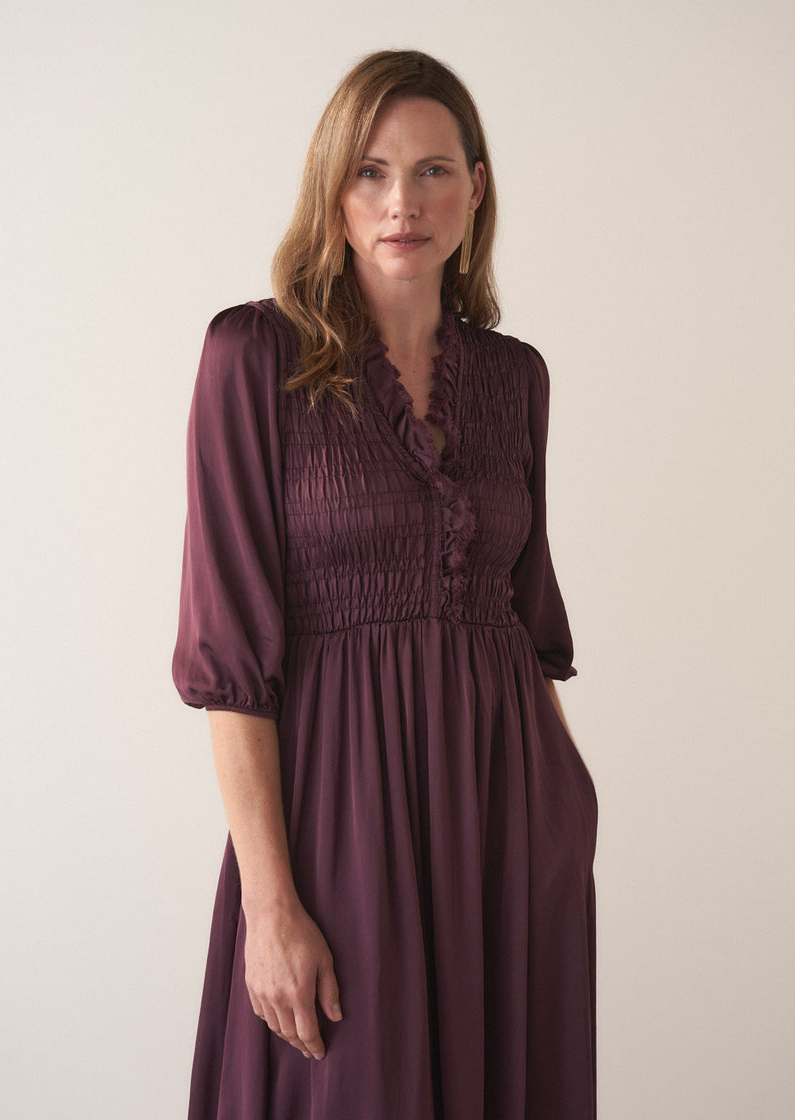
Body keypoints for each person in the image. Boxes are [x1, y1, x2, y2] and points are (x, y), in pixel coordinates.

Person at [173, 48, 597, 1120]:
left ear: (475, 188)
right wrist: (271, 903)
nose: (400, 201)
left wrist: (566, 814)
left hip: (507, 828)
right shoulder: (252, 360)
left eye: (431, 170)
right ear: (331, 188)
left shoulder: (514, 379)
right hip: (336, 825)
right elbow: (231, 666)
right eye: (368, 171)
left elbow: (521, 612)